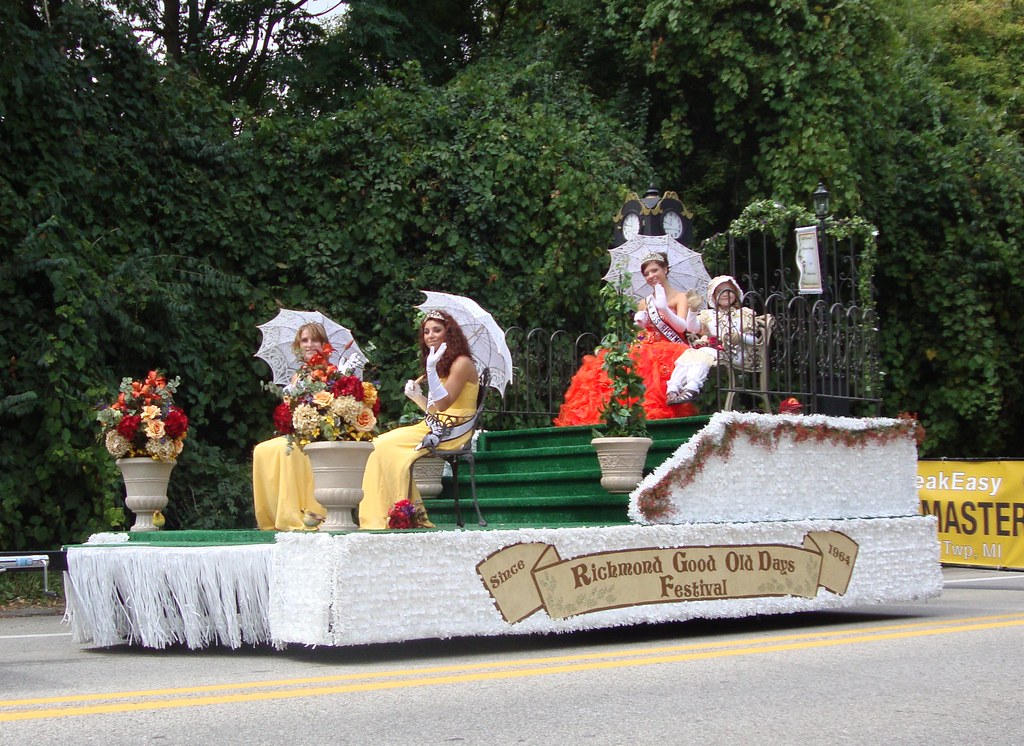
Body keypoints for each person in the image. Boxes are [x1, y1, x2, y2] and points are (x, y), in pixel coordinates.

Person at [358, 309, 480, 529]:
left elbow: (444, 405)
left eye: (437, 330)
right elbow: (433, 409)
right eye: (426, 331)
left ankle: (396, 514)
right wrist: (417, 396)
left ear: (448, 333)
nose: (430, 335)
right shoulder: (442, 364)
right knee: (376, 445)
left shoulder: (461, 363)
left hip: (451, 431)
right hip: (434, 425)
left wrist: (431, 371)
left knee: (384, 447)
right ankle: (398, 512)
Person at [554, 251, 700, 426]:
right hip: (647, 345)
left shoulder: (680, 297)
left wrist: (664, 309)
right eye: (646, 273)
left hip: (671, 347)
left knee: (653, 371)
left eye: (654, 270)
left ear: (666, 269)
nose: (651, 276)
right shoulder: (644, 303)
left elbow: (682, 328)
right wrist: (640, 326)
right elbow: (641, 333)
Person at [252, 322, 330, 531]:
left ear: (323, 344)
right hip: (299, 433)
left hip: (323, 434)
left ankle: (298, 515)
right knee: (262, 450)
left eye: (314, 340)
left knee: (286, 452)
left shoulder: (331, 371)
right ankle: (270, 517)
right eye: (304, 340)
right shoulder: (297, 376)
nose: (309, 344)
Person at [666, 275, 758, 403]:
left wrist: (740, 337)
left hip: (738, 354)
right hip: (715, 352)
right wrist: (692, 311)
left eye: (728, 290)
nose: (725, 294)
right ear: (713, 296)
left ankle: (692, 387)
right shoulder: (710, 315)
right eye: (720, 291)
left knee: (703, 352)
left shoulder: (743, 313)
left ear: (736, 292)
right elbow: (692, 328)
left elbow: (756, 341)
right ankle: (673, 388)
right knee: (690, 353)